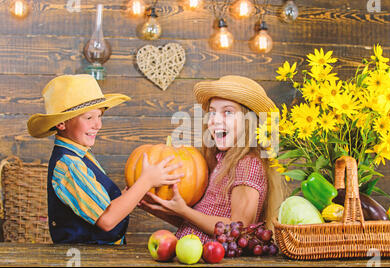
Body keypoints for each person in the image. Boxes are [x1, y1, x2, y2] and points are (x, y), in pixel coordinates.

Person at [27, 74, 183, 244]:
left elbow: (99, 202)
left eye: (99, 116)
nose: (98, 125)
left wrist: (133, 192)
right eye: (89, 118)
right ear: (62, 124)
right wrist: (146, 181)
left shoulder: (82, 155)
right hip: (84, 258)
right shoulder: (68, 165)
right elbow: (107, 220)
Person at [138, 75, 288, 243]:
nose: (215, 120)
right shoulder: (222, 161)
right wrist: (161, 208)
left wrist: (185, 211)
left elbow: (240, 229)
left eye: (228, 112)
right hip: (193, 254)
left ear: (249, 121)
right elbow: (199, 222)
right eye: (212, 112)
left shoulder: (249, 164)